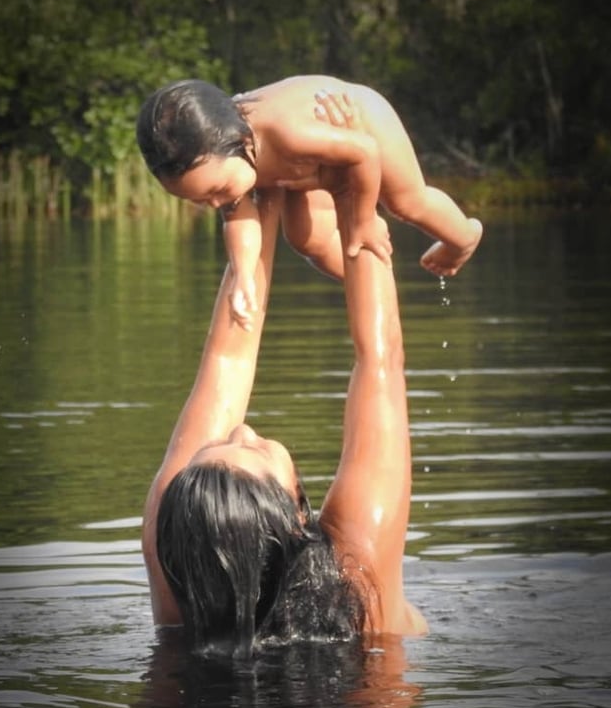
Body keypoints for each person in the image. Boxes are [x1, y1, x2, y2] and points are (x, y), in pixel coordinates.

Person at [142, 123, 428, 656]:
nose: (242, 428)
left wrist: (256, 171)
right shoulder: (357, 577)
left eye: (222, 444)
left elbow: (229, 353)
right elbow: (380, 359)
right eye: (252, 449)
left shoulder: (177, 562)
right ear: (296, 516)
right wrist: (349, 184)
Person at [136, 75, 483, 329]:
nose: (215, 203)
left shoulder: (287, 134)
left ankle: (463, 238)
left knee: (406, 203)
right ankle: (370, 283)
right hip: (305, 167)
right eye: (200, 200)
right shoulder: (222, 161)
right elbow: (238, 219)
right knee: (307, 239)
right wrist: (242, 276)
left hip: (361, 125)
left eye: (216, 190)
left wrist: (362, 220)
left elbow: (364, 152)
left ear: (241, 139)